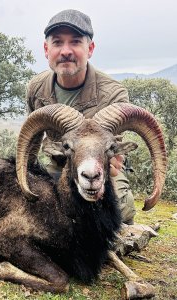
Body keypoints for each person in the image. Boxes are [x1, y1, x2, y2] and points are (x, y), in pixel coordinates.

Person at [26, 9, 136, 225]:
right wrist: (24, 177)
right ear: (46, 49)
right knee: (41, 205)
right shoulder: (36, 88)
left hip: (101, 166)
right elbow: (31, 142)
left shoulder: (114, 94)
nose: (66, 51)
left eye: (75, 42)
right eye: (57, 42)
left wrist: (106, 170)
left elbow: (114, 157)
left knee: (121, 211)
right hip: (60, 164)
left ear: (90, 48)